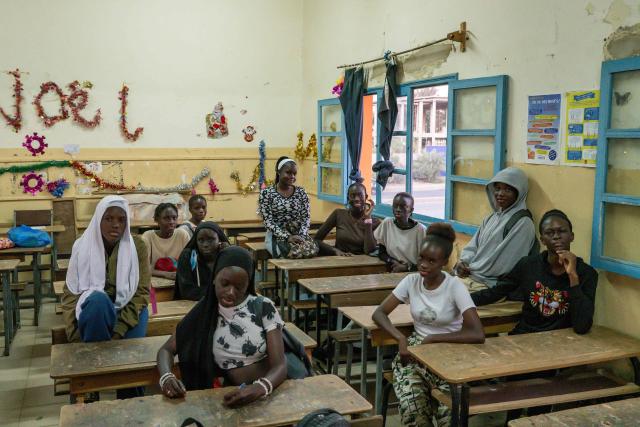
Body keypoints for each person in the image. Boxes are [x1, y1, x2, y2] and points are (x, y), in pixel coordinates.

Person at [373, 223, 484, 427]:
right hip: (416, 350)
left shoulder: (454, 286)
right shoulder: (411, 281)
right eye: (421, 258)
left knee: (449, 415)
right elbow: (379, 313)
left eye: (431, 261)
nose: (423, 265)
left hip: (450, 351)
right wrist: (400, 338)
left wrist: (435, 338)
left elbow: (477, 333)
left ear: (444, 262)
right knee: (413, 409)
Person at [156, 246, 287, 408]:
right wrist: (166, 377)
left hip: (269, 391)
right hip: (227, 394)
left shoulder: (262, 307)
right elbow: (166, 350)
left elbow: (280, 365)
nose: (231, 292)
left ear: (248, 285)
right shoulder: (204, 312)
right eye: (225, 284)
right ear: (214, 278)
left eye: (239, 287)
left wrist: (259, 388)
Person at [61, 195, 150, 399]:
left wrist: (117, 333)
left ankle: (130, 405)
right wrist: (75, 337)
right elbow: (70, 295)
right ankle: (91, 388)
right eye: (108, 218)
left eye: (121, 219)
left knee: (131, 361)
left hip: (130, 311)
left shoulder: (137, 246)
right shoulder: (82, 246)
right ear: (98, 219)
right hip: (94, 313)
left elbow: (141, 293)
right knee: (97, 300)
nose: (115, 225)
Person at [471, 209, 597, 335]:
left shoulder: (586, 273)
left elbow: (582, 326)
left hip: (560, 341)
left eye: (562, 231)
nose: (556, 236)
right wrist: (461, 300)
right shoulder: (528, 265)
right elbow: (497, 292)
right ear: (542, 240)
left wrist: (573, 276)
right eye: (549, 232)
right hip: (525, 335)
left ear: (572, 236)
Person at [454, 167, 537, 292]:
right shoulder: (491, 218)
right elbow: (473, 246)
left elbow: (504, 265)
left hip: (489, 284)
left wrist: (472, 270)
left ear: (519, 192)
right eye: (497, 188)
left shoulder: (523, 223)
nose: (500, 193)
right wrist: (463, 262)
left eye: (508, 189)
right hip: (471, 276)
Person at [257, 156, 314, 258]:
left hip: (298, 235)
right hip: (276, 236)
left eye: (294, 174)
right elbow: (268, 222)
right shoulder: (266, 193)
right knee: (288, 256)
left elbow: (306, 218)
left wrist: (301, 235)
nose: (292, 176)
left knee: (307, 254)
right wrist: (288, 237)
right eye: (288, 172)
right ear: (278, 172)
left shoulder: (301, 192)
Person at [314, 181, 379, 256]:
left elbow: (369, 251)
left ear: (366, 197)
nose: (357, 199)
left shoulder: (374, 222)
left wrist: (368, 220)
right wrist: (335, 251)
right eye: (353, 196)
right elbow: (316, 240)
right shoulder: (339, 214)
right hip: (340, 261)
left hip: (362, 264)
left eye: (360, 195)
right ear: (348, 198)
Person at [175, 222, 230, 300]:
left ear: (219, 240)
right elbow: (187, 291)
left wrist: (227, 255)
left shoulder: (226, 255)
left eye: (211, 239)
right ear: (196, 240)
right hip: (192, 305)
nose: (205, 245)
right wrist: (219, 293)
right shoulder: (188, 256)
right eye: (201, 240)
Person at [374, 192, 426, 272]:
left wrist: (406, 267)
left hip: (414, 272)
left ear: (411, 210)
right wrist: (392, 261)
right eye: (395, 206)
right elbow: (381, 253)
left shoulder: (420, 230)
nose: (398, 209)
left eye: (403, 206)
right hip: (393, 268)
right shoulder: (387, 223)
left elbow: (425, 262)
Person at [142, 202, 190, 280]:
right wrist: (166, 274)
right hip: (154, 281)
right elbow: (143, 268)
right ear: (156, 219)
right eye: (166, 218)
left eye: (174, 218)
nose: (171, 222)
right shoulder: (148, 237)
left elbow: (189, 264)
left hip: (178, 279)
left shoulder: (182, 235)